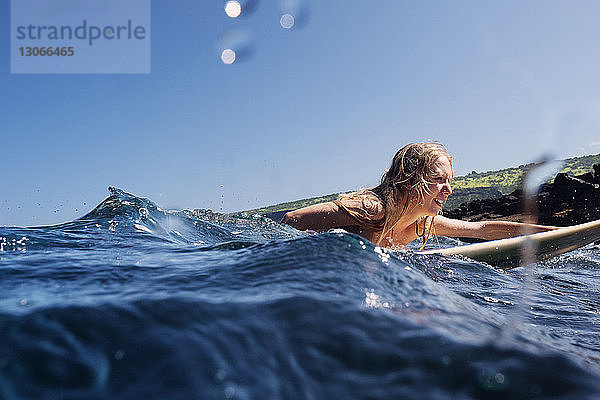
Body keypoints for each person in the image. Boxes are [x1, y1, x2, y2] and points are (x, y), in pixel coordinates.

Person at [282, 142, 557, 249]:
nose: (448, 189)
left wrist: (548, 232)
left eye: (449, 181)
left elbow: (481, 229)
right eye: (438, 180)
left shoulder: (422, 223)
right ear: (410, 179)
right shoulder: (372, 209)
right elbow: (291, 219)